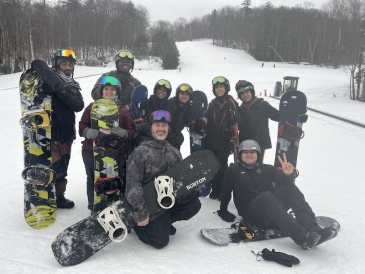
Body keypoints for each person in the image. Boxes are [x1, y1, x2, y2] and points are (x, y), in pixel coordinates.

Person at [218, 139, 337, 250]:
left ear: (258, 154)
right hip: (252, 214)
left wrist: (288, 175)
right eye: (246, 152)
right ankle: (302, 238)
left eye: (252, 152)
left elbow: (283, 181)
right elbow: (226, 190)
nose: (249, 154)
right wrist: (223, 210)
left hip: (272, 211)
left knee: (289, 187)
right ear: (240, 155)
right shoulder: (233, 171)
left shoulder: (267, 169)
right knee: (266, 196)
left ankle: (314, 229)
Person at [125, 110, 201, 249]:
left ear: (168, 128)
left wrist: (191, 189)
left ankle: (165, 222)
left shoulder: (174, 152)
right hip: (147, 205)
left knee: (194, 205)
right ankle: (139, 226)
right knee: (160, 242)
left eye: (164, 125)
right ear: (151, 128)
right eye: (157, 125)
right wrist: (140, 212)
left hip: (166, 201)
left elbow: (181, 179)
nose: (161, 129)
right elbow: (133, 184)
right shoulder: (141, 152)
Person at [30, 49, 84, 208]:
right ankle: (45, 196)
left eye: (70, 65)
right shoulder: (46, 80)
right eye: (64, 64)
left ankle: (59, 196)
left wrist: (59, 90)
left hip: (67, 134)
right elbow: (37, 63)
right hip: (50, 133)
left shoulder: (73, 86)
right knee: (51, 167)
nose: (68, 67)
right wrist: (53, 85)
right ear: (56, 65)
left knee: (63, 168)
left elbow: (78, 105)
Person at [79, 76, 132, 210]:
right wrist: (88, 132)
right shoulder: (92, 107)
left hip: (115, 153)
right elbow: (81, 126)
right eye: (106, 89)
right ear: (101, 91)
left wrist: (124, 133)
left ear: (117, 92)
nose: (109, 92)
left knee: (114, 180)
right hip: (91, 151)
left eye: (112, 89)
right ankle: (94, 207)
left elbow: (131, 130)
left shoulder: (123, 110)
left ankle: (112, 208)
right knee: (92, 179)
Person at [203, 76, 239, 200]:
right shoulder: (212, 104)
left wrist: (231, 132)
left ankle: (222, 191)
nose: (219, 89)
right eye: (217, 87)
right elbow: (206, 120)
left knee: (222, 167)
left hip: (224, 141)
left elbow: (238, 120)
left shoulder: (231, 103)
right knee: (212, 167)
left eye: (221, 87)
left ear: (226, 88)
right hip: (211, 140)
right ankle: (215, 189)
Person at [235, 80, 280, 163]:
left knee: (257, 168)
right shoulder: (239, 110)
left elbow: (277, 116)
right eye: (242, 93)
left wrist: (293, 115)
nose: (245, 95)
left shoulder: (262, 105)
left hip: (259, 143)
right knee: (243, 169)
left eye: (247, 92)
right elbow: (238, 127)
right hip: (244, 143)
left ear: (251, 92)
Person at [168, 83, 193, 150]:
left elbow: (189, 121)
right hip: (166, 138)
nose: (184, 96)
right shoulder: (171, 104)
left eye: (186, 94)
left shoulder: (187, 108)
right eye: (182, 94)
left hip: (176, 139)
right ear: (178, 94)